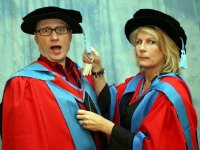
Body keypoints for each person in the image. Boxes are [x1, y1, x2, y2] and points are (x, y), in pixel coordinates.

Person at [77, 9, 199, 150]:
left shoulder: (170, 93)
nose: (141, 48)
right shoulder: (138, 82)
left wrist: (105, 126)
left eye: (151, 42)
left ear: (167, 49)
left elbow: (152, 146)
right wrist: (97, 67)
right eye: (139, 42)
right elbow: (109, 102)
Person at [1, 6, 106, 150]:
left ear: (70, 36)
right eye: (45, 31)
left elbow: (112, 113)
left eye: (61, 30)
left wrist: (98, 70)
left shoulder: (84, 78)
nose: (54, 37)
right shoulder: (22, 84)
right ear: (36, 38)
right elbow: (21, 140)